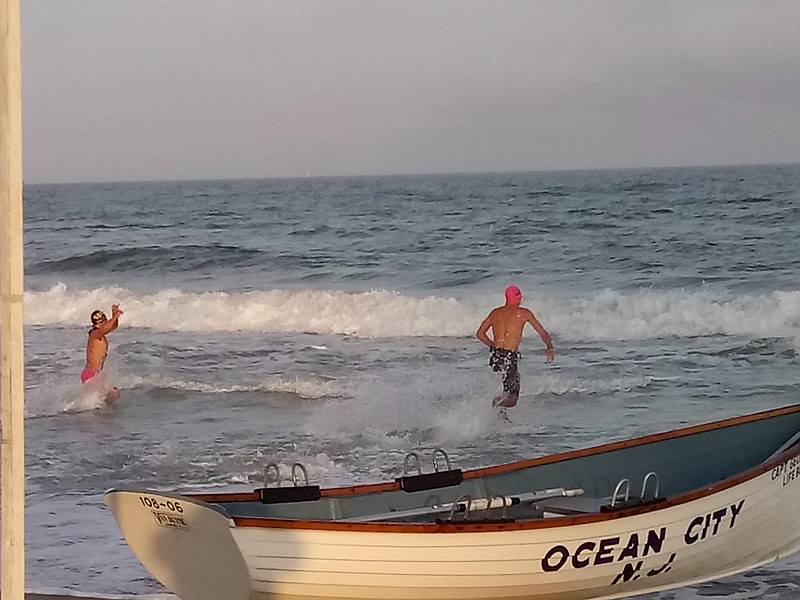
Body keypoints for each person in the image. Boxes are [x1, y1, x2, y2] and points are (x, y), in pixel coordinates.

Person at [476, 285, 554, 408]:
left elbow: (480, 334)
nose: (521, 298)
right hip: (509, 355)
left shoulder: (495, 313)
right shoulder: (524, 313)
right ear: (517, 297)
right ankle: (496, 405)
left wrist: (493, 346)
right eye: (520, 296)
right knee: (512, 399)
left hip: (496, 355)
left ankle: (501, 418)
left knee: (507, 388)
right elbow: (542, 332)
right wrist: (549, 348)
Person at [81, 304, 124, 402]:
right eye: (105, 322)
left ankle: (102, 413)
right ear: (99, 323)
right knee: (112, 394)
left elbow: (113, 327)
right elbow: (107, 327)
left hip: (96, 374)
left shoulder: (100, 332)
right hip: (91, 374)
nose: (106, 324)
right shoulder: (95, 333)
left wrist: (114, 315)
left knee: (112, 394)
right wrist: (115, 316)